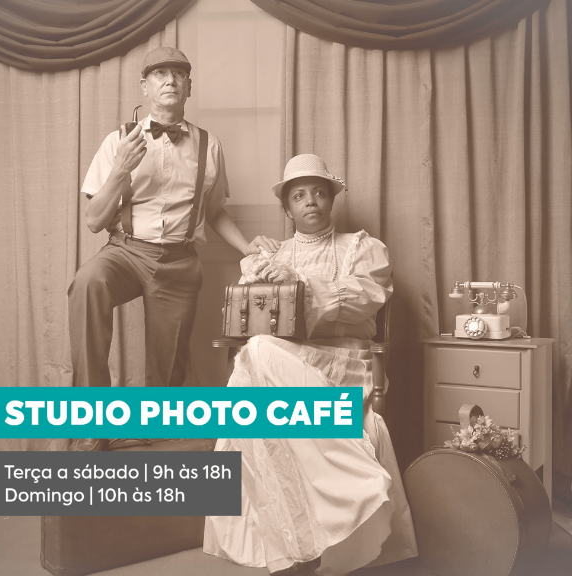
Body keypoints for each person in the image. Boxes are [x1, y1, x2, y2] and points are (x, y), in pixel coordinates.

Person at [203, 154, 418, 575]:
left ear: (332, 200)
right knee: (256, 353)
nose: (310, 201)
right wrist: (259, 278)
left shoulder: (361, 248)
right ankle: (298, 535)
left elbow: (365, 299)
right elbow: (246, 316)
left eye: (319, 192)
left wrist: (298, 285)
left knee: (255, 358)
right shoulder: (272, 254)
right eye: (299, 196)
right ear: (287, 209)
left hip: (344, 361)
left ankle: (329, 516)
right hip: (283, 361)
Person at [68, 47, 279, 452]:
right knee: (88, 284)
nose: (170, 80)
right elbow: (94, 220)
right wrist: (121, 168)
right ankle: (90, 421)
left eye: (178, 74)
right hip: (126, 251)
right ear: (144, 87)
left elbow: (214, 211)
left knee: (165, 386)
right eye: (160, 74)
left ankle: (153, 430)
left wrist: (246, 247)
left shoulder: (208, 145)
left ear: (189, 87)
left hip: (179, 260)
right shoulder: (118, 141)